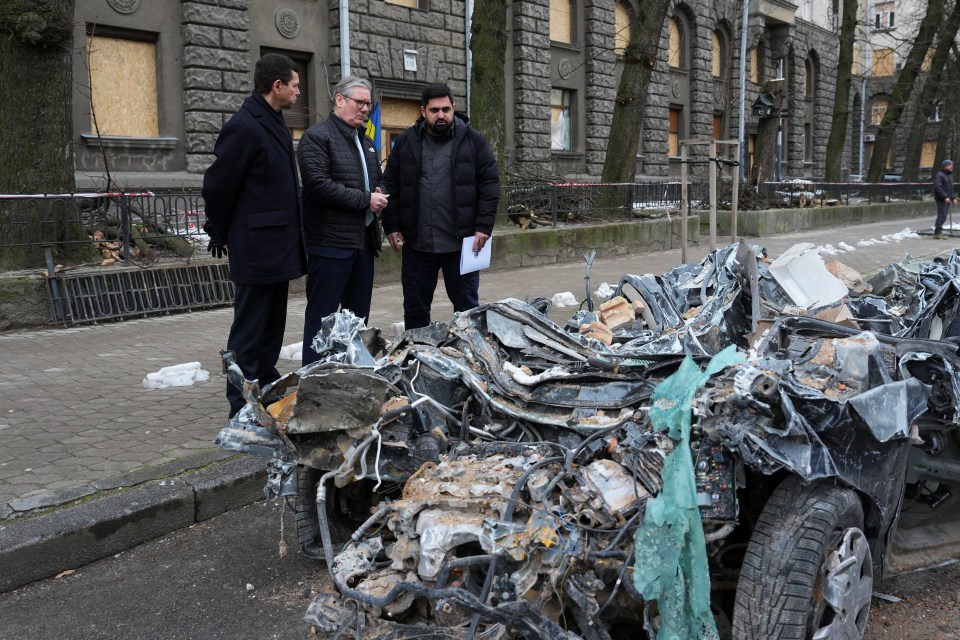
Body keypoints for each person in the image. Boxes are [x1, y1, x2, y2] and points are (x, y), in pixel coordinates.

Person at [202, 53, 306, 418]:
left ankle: (263, 384)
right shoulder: (244, 126)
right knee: (249, 331)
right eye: (294, 85)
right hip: (256, 246)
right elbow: (217, 186)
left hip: (276, 246)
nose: (298, 92)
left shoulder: (273, 119)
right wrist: (221, 230)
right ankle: (241, 407)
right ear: (276, 86)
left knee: (271, 328)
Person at [381, 83, 500, 330]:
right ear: (423, 111)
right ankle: (416, 356)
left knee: (467, 310)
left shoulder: (473, 140)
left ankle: (469, 357)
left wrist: (483, 227)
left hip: (463, 243)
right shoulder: (406, 142)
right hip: (417, 244)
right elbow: (390, 183)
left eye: (446, 109)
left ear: (454, 108)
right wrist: (391, 225)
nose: (441, 115)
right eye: (434, 110)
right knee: (415, 309)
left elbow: (489, 184)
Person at [297, 76, 388, 365]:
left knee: (358, 319)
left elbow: (378, 182)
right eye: (359, 102)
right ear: (339, 100)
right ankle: (313, 377)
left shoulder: (368, 143)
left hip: (362, 244)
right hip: (330, 245)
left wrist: (380, 193)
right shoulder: (317, 137)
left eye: (368, 104)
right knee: (322, 319)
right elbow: (318, 184)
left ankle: (355, 376)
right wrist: (366, 199)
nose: (364, 109)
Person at [933, 159, 956, 239]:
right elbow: (938, 187)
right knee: (942, 216)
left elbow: (949, 188)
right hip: (941, 199)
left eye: (952, 165)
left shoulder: (948, 175)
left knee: (943, 216)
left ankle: (938, 232)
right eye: (950, 165)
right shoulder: (940, 175)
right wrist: (944, 197)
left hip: (947, 199)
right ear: (945, 166)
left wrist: (953, 198)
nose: (951, 166)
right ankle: (937, 233)